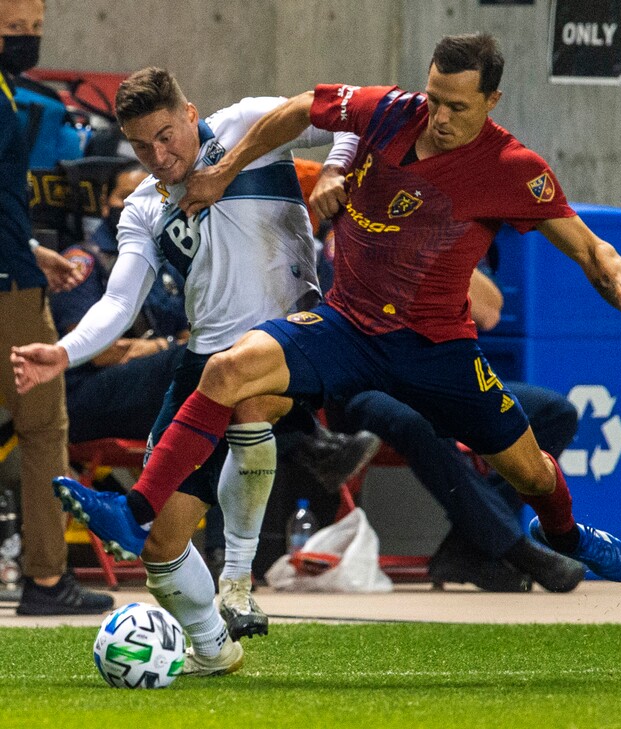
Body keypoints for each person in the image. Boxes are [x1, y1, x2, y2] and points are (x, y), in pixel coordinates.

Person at [38, 32, 621, 587]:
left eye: (458, 106)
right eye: (434, 99)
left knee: (532, 472)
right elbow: (296, 111)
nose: (440, 117)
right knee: (225, 371)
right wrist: (228, 170)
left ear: (492, 101)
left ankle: (565, 537)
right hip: (347, 325)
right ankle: (139, 510)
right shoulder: (388, 113)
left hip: (438, 350)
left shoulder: (512, 169)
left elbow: (595, 252)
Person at [11, 67, 375, 674]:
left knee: (250, 389)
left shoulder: (245, 124)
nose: (158, 156)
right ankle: (212, 649)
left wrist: (336, 169)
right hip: (205, 361)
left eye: (166, 136)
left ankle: (237, 577)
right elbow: (119, 302)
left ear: (190, 111)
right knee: (159, 545)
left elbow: (349, 113)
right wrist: (64, 352)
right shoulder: (145, 209)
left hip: (296, 337)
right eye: (141, 146)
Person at [325, 264, 584, 592]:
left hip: (437, 375)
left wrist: (436, 246)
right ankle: (517, 549)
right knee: (420, 420)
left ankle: (465, 548)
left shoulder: (448, 231)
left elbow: (488, 313)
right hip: (364, 380)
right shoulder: (350, 232)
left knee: (554, 412)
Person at [0, 0, 114, 616]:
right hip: (9, 293)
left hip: (16, 270)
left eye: (35, 30)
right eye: (14, 30)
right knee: (44, 429)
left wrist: (34, 251)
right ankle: (46, 580)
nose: (27, 41)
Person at [50, 159, 189, 445]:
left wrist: (157, 347)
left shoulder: (170, 264)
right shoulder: (82, 261)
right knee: (192, 362)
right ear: (105, 203)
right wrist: (166, 346)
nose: (134, 206)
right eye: (125, 197)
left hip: (147, 388)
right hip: (84, 397)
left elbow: (193, 332)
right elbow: (96, 351)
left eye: (147, 197)